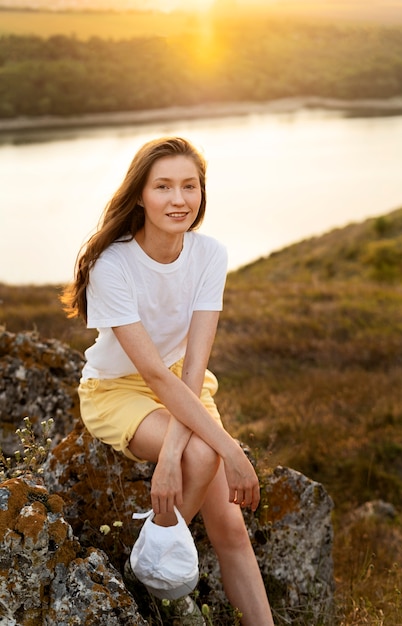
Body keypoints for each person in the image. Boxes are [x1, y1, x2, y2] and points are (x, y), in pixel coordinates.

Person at [62, 136, 274, 626]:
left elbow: (192, 366)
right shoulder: (111, 264)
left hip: (184, 383)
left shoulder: (209, 254)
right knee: (205, 453)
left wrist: (191, 448)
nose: (179, 200)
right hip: (117, 388)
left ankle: (158, 555)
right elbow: (152, 372)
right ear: (140, 194)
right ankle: (156, 560)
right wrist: (229, 451)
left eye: (189, 186)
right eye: (163, 187)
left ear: (202, 193)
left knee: (232, 530)